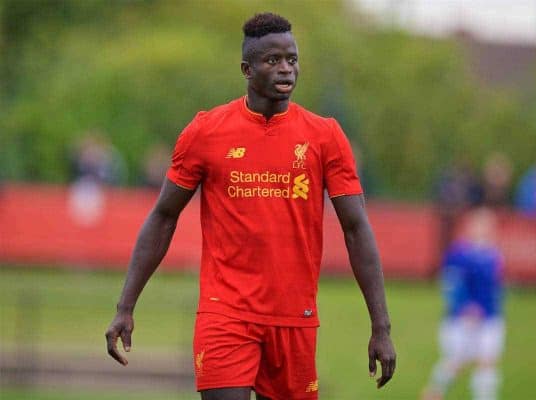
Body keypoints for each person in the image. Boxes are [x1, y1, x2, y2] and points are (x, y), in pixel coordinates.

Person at [104, 12, 396, 400]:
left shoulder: (325, 137)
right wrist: (125, 306)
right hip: (224, 314)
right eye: (272, 60)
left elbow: (356, 228)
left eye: (291, 59)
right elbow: (163, 217)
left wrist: (381, 327)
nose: (285, 69)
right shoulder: (206, 132)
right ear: (246, 68)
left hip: (295, 320)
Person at [422, 208, 504, 400]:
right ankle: (433, 393)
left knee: (487, 362)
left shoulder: (494, 255)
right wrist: (464, 307)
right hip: (462, 319)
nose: (485, 229)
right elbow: (451, 283)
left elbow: (493, 288)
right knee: (455, 363)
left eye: (489, 225)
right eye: (481, 224)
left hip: (490, 317)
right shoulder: (459, 253)